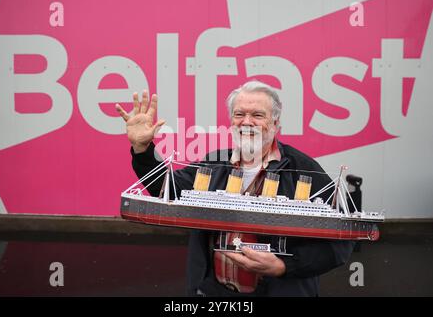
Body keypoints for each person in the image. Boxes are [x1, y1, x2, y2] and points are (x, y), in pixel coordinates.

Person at [116, 81, 355, 296]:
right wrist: (143, 149)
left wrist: (284, 266)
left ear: (275, 123)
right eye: (239, 114)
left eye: (257, 115)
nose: (247, 121)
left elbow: (342, 242)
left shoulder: (303, 170)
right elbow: (168, 190)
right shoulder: (214, 163)